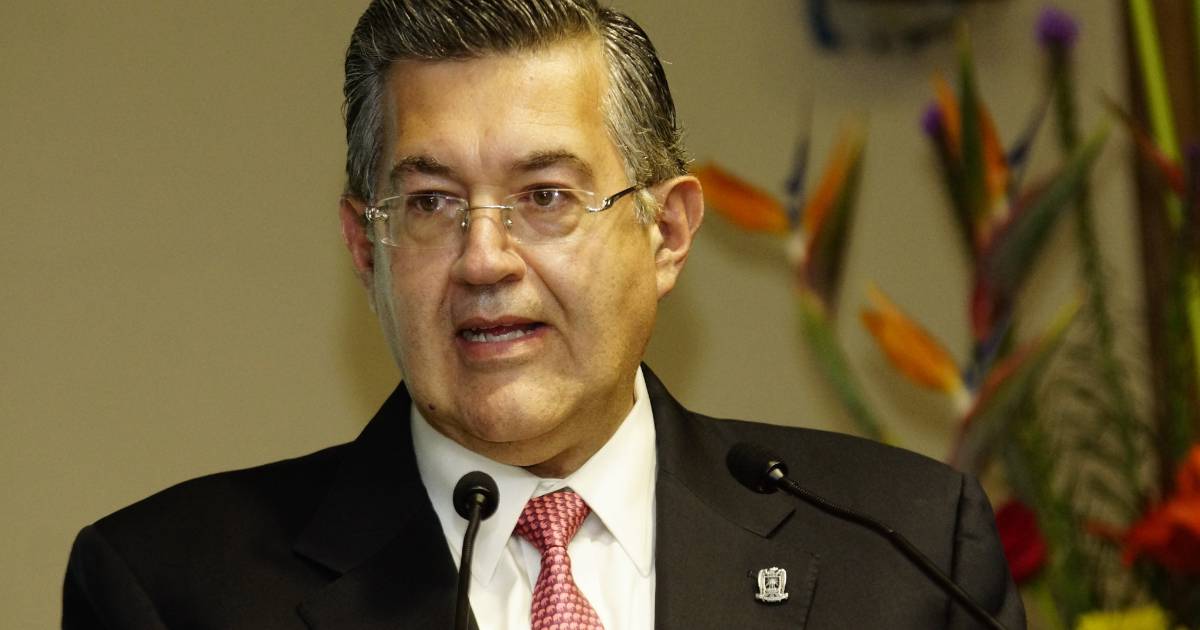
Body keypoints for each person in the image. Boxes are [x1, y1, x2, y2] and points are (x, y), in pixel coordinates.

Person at [63, 1, 1026, 628]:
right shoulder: (171, 590)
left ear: (667, 233)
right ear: (366, 247)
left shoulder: (904, 551)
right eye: (431, 203)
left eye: (546, 197)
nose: (485, 258)